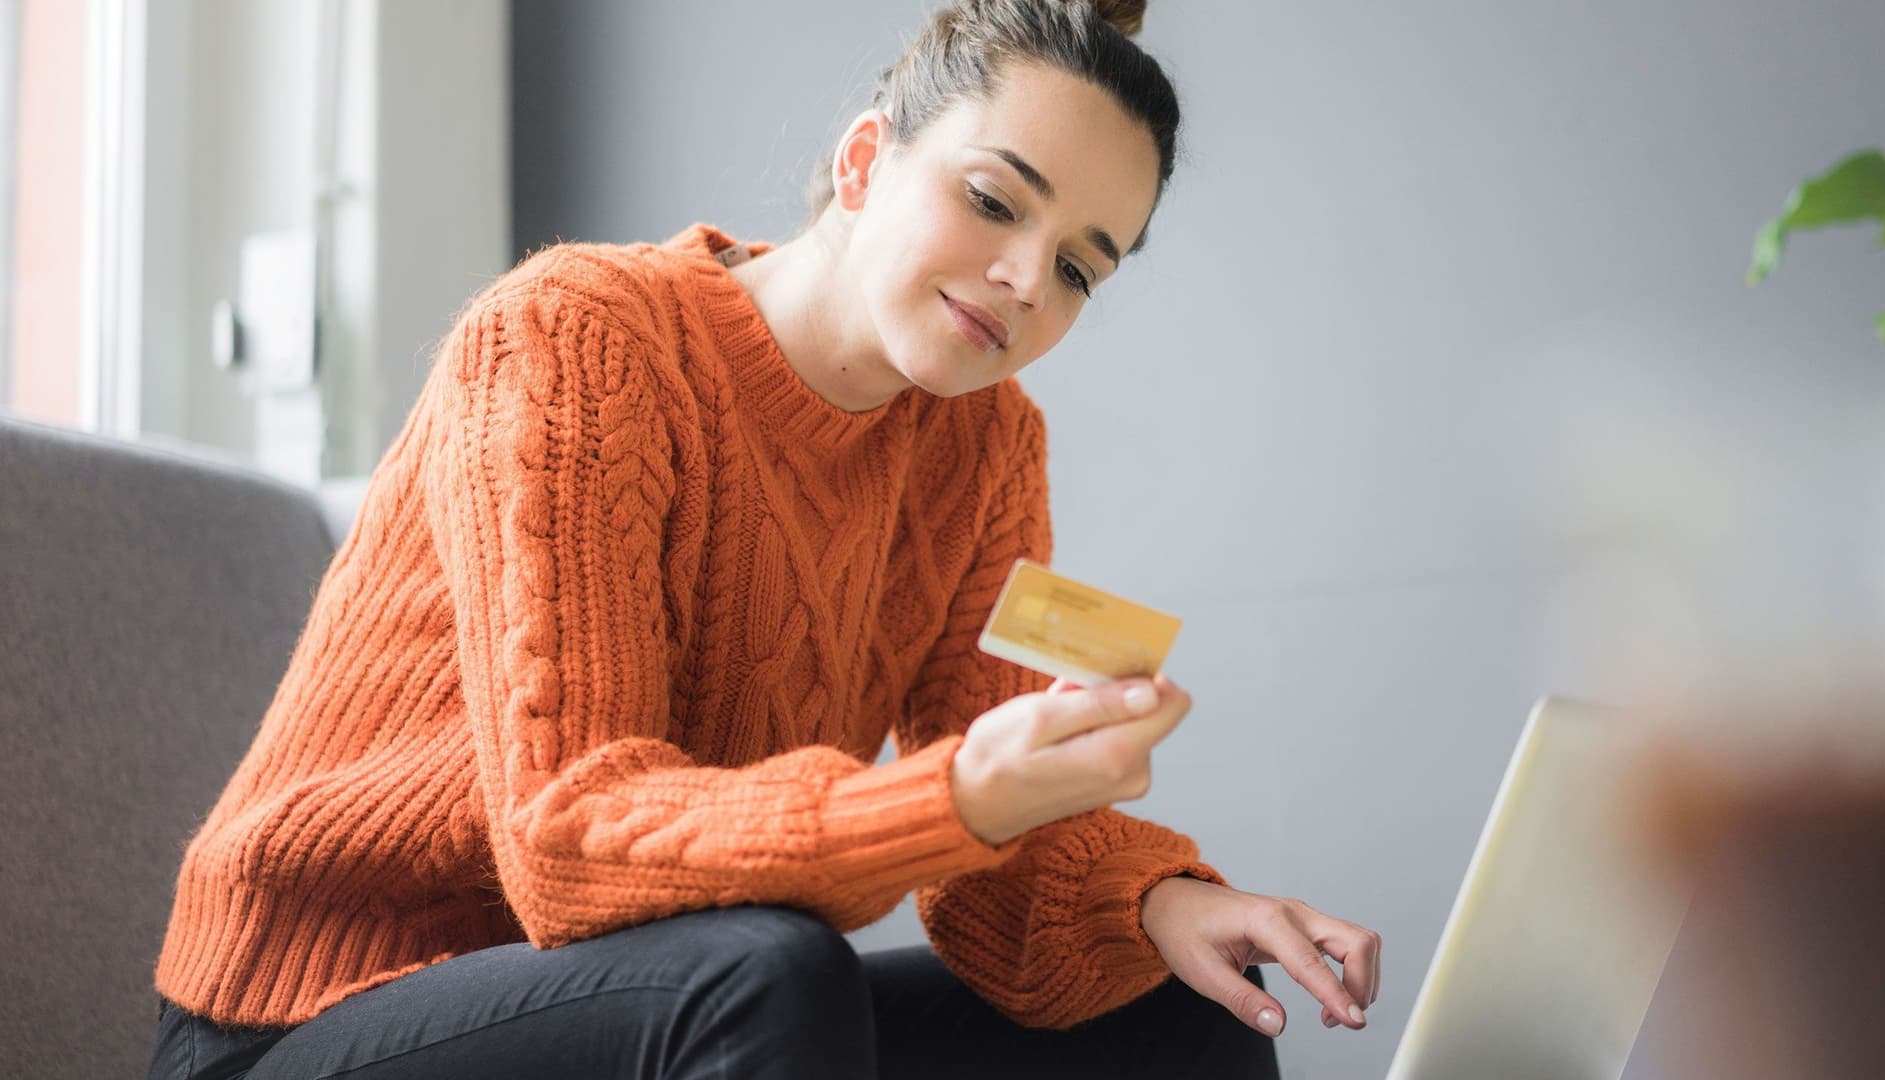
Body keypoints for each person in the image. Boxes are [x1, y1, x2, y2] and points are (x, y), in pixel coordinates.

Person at [145, 0, 1380, 1076]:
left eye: (1077, 269)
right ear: (861, 164)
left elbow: (990, 877)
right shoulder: (579, 338)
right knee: (768, 974)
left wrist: (1153, 899)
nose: (1022, 279)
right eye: (994, 201)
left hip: (658, 997)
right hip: (309, 1016)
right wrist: (957, 791)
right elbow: (570, 847)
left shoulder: (987, 447)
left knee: (1190, 1018)